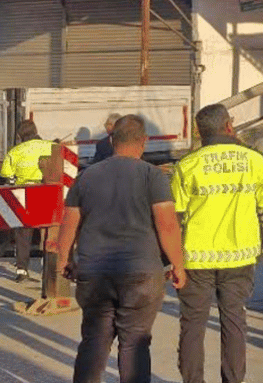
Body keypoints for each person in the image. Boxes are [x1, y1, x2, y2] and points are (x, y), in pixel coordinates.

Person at [57, 114, 186, 383]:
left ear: (112, 140)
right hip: (141, 273)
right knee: (135, 342)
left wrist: (64, 259)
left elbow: (69, 224)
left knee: (94, 339)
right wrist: (178, 264)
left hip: (94, 273)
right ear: (144, 142)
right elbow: (167, 225)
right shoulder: (153, 176)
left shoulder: (86, 177)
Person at [172, 104, 263, 383]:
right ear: (229, 126)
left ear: (198, 132)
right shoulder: (255, 160)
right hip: (240, 257)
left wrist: (170, 261)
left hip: (196, 259)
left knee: (192, 325)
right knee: (234, 323)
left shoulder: (187, 165)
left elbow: (176, 218)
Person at [2, 120, 57, 281]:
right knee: (48, 230)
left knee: (22, 231)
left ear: (20, 136)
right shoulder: (50, 146)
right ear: (36, 130)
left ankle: (21, 269)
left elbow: (7, 175)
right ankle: (48, 267)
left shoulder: (14, 151)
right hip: (46, 191)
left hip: (24, 193)